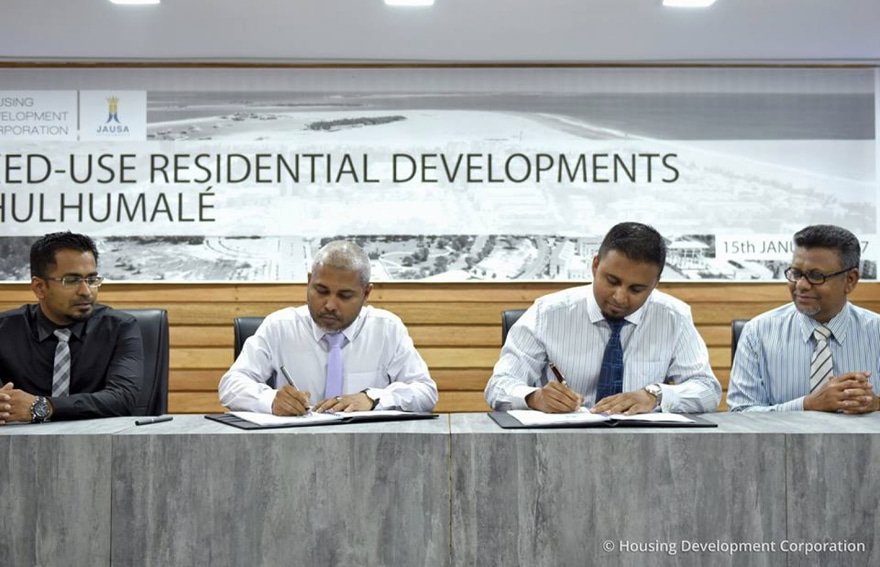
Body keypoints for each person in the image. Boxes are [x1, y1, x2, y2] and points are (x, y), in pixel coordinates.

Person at [485, 222, 721, 414]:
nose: (620, 297)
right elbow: (499, 385)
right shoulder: (547, 313)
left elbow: (708, 389)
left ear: (655, 283)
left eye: (637, 289)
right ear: (595, 265)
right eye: (612, 281)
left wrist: (656, 396)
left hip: (645, 446)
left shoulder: (673, 317)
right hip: (561, 445)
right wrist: (534, 397)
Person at [219, 240, 438, 415]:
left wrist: (373, 399)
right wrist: (270, 400)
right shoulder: (279, 327)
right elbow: (231, 384)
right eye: (321, 291)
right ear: (309, 282)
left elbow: (425, 392)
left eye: (344, 295)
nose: (330, 305)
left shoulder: (387, 329)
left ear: (366, 293)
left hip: (367, 447)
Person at [727, 225, 880, 413]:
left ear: (850, 280)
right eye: (796, 273)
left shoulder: (877, 332)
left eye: (816, 276)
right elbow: (741, 412)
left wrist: (876, 404)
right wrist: (807, 405)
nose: (801, 285)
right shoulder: (757, 333)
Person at [0, 232, 143, 424]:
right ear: (39, 287)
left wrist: (44, 407)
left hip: (98, 439)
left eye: (92, 279)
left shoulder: (120, 328)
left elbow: (123, 398)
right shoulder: (5, 330)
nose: (86, 291)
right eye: (71, 280)